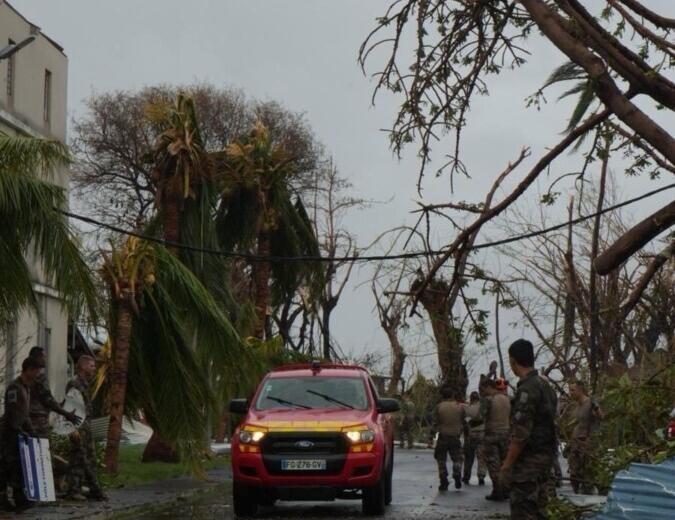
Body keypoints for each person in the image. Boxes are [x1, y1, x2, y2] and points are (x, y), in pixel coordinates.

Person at [499, 339, 558, 520]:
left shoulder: (527, 389)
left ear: (513, 361)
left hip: (528, 464)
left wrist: (507, 465)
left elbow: (520, 433)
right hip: (545, 459)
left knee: (523, 511)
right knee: (540, 511)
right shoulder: (546, 387)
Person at [1, 357, 43, 512]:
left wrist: (32, 432)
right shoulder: (14, 388)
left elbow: (24, 415)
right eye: (37, 370)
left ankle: (17, 499)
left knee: (16, 467)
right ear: (29, 369)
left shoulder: (26, 388)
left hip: (19, 434)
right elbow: (12, 415)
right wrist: (21, 432)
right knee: (10, 467)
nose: (38, 374)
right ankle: (15, 500)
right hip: (9, 435)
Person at [65, 355, 106, 501]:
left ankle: (91, 489)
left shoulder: (85, 384)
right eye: (91, 366)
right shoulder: (74, 384)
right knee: (78, 459)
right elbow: (69, 408)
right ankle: (74, 490)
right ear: (82, 366)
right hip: (78, 427)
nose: (94, 369)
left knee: (89, 458)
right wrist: (73, 429)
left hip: (86, 427)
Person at [28, 346, 80, 437]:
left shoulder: (26, 376)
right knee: (40, 450)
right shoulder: (40, 377)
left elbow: (43, 400)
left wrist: (60, 405)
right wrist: (66, 414)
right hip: (38, 423)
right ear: (37, 358)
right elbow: (48, 400)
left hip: (28, 422)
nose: (45, 359)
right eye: (43, 356)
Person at [567, 379, 603, 494]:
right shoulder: (576, 405)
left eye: (572, 390)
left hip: (586, 444)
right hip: (575, 444)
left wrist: (596, 408)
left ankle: (587, 494)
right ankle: (576, 494)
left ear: (580, 390)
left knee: (587, 475)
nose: (570, 393)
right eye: (569, 390)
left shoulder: (590, 403)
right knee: (574, 474)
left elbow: (601, 417)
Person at [482, 378, 511, 501]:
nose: (482, 392)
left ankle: (497, 491)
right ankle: (506, 489)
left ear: (490, 387)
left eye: (483, 389)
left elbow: (479, 416)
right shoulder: (509, 399)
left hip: (491, 435)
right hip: (506, 434)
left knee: (493, 464)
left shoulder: (489, 400)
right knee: (505, 463)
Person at [433, 386, 466, 491]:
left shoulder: (439, 407)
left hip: (443, 436)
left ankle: (443, 480)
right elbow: (464, 422)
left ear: (442, 395)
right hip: (455, 437)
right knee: (457, 458)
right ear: (452, 395)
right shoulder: (459, 407)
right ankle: (457, 471)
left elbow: (435, 423)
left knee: (441, 459)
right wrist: (467, 433)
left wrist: (431, 436)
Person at [463, 391, 486, 486]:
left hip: (471, 434)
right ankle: (481, 476)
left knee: (469, 457)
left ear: (471, 399)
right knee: (481, 457)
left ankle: (466, 476)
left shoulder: (468, 409)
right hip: (482, 434)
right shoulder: (483, 408)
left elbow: (465, 423)